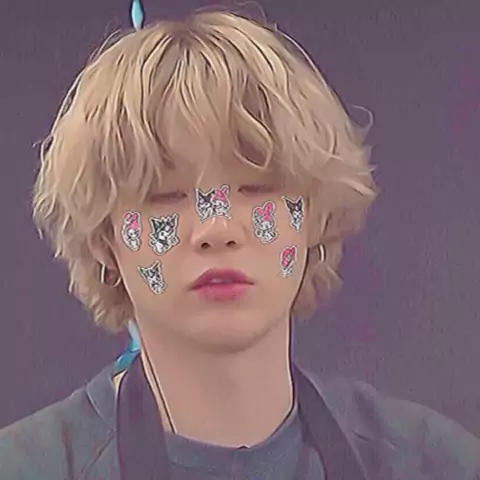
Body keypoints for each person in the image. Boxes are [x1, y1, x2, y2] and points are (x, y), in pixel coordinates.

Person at [1, 4, 479, 480]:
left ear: (314, 216)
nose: (217, 229)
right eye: (165, 196)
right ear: (105, 239)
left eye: (255, 187)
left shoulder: (433, 464)